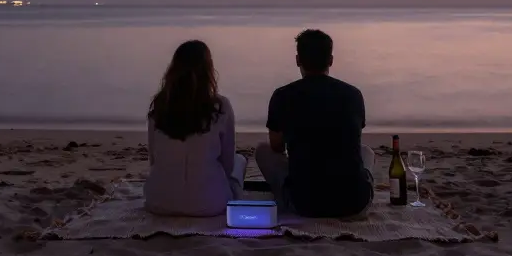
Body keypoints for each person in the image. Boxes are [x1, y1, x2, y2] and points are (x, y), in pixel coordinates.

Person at [255, 29, 375, 217]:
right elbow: (352, 138)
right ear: (331, 60)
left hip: (304, 205)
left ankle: (288, 192)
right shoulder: (353, 95)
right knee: (366, 151)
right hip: (354, 204)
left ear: (297, 60)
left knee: (262, 150)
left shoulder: (283, 96)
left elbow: (276, 146)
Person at [144, 40, 246, 216]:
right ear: (208, 71)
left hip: (158, 202)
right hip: (210, 206)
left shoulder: (161, 105)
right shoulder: (220, 107)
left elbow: (153, 159)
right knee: (239, 161)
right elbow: (227, 163)